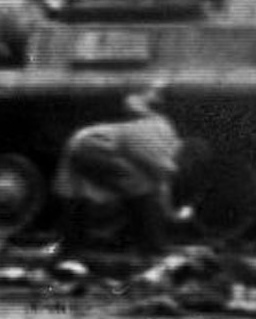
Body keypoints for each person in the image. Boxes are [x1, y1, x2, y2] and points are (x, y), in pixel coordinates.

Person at [52, 85, 183, 258]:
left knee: (77, 195)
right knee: (141, 190)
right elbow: (161, 178)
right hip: (93, 145)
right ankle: (153, 248)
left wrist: (168, 209)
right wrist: (170, 212)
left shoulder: (154, 128)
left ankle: (70, 249)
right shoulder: (159, 135)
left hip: (79, 142)